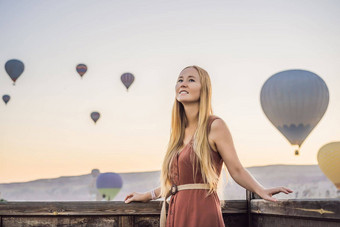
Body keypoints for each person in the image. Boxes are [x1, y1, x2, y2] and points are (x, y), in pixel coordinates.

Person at [124, 65, 293, 227]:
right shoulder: (178, 134)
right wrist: (148, 195)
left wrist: (260, 190)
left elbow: (237, 170)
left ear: (203, 89)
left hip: (202, 210)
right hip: (177, 211)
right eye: (180, 79)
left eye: (191, 80)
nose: (183, 83)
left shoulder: (215, 126)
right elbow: (178, 183)